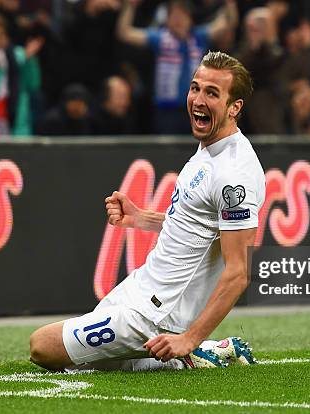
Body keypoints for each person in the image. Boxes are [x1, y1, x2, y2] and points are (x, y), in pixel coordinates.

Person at [29, 51, 264, 371]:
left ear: (235, 107)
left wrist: (189, 337)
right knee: (96, 365)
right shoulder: (208, 149)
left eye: (212, 93)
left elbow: (239, 272)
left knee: (43, 347)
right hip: (140, 288)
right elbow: (196, 226)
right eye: (195, 88)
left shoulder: (233, 173)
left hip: (157, 313)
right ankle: (199, 356)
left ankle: (191, 350)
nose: (198, 99)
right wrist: (142, 218)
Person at [117, 0, 238, 134]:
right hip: (167, 109)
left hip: (197, 107)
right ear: (167, 20)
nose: (178, 21)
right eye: (174, 16)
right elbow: (124, 33)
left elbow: (229, 23)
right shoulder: (161, 38)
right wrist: (129, 6)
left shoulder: (199, 37)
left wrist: (230, 4)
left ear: (190, 19)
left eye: (181, 16)